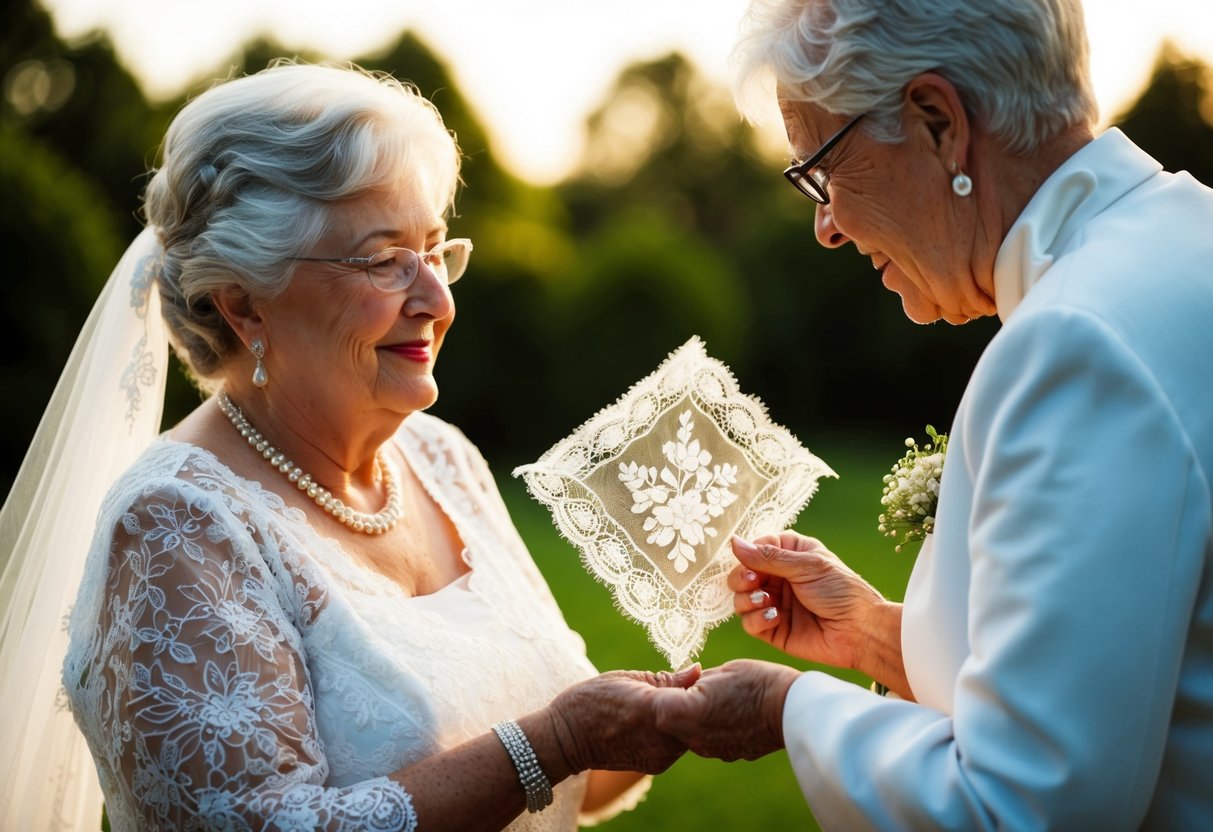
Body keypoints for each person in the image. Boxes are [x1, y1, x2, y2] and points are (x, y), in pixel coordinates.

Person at [0, 62, 697, 831]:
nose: (435, 300)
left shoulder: (443, 461)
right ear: (243, 306)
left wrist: (682, 712)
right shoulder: (177, 526)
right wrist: (556, 738)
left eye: (434, 250)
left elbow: (566, 781)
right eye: (382, 260)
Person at [650, 0, 1213, 828]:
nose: (825, 227)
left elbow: (1027, 807)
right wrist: (874, 634)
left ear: (936, 121)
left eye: (821, 169)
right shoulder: (1183, 235)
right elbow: (1130, 682)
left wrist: (788, 711)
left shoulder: (1075, 345)